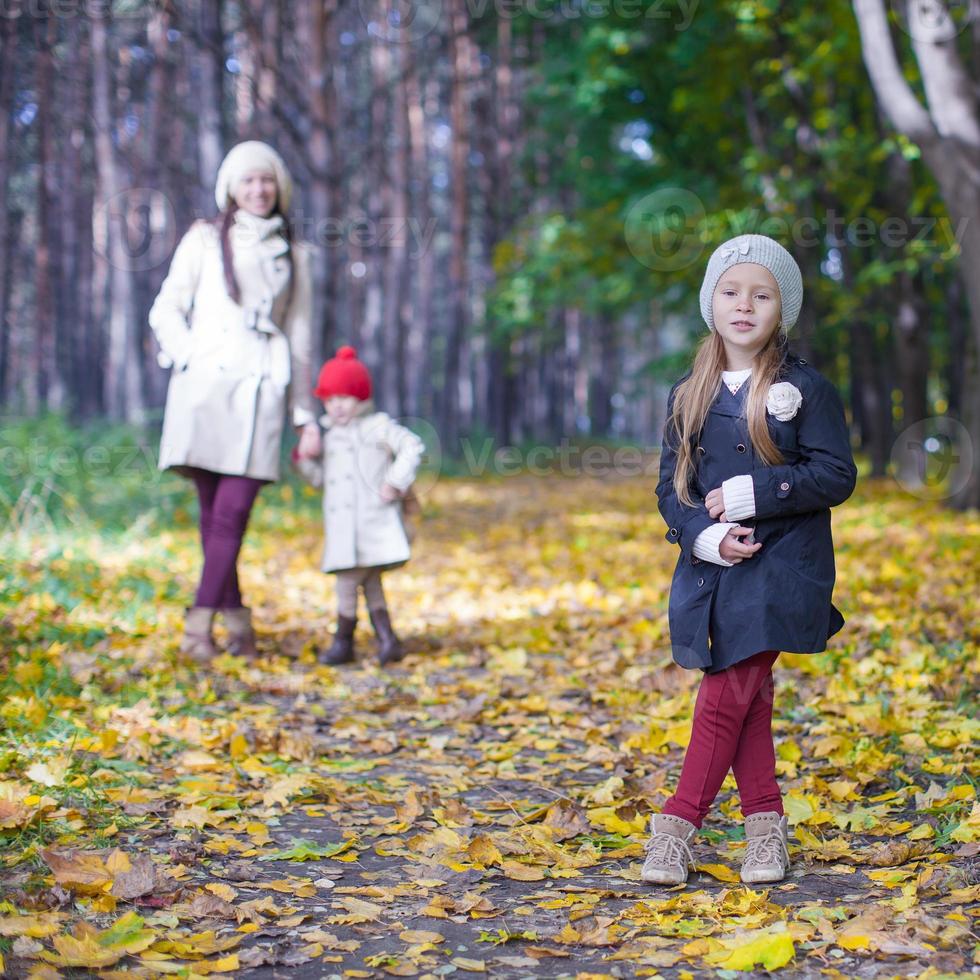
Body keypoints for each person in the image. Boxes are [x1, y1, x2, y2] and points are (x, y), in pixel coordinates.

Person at [644, 234, 857, 887]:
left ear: (780, 308)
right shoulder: (690, 392)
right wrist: (702, 537)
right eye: (731, 292)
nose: (745, 305)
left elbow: (836, 474)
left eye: (761, 295)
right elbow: (669, 489)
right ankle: (766, 831)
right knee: (748, 697)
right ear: (712, 302)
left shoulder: (805, 388)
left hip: (783, 564)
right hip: (715, 569)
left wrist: (757, 493)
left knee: (725, 692)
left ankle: (677, 827)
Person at [149, 140, 321, 663]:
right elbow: (166, 308)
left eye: (266, 180)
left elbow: (302, 335)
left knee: (232, 513)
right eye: (248, 180)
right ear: (231, 186)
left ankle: (197, 629)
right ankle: (239, 625)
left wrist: (305, 415)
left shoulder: (297, 252)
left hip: (261, 391)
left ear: (279, 187)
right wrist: (188, 356)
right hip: (203, 389)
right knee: (212, 517)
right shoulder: (203, 239)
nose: (258, 189)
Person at [293, 346, 425, 667]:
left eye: (345, 398)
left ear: (361, 398)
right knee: (370, 583)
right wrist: (305, 460)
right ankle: (388, 640)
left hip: (372, 521)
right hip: (343, 527)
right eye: (330, 399)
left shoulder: (377, 427)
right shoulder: (330, 436)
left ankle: (343, 642)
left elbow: (412, 445)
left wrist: (395, 480)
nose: (337, 406)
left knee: (347, 582)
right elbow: (322, 480)